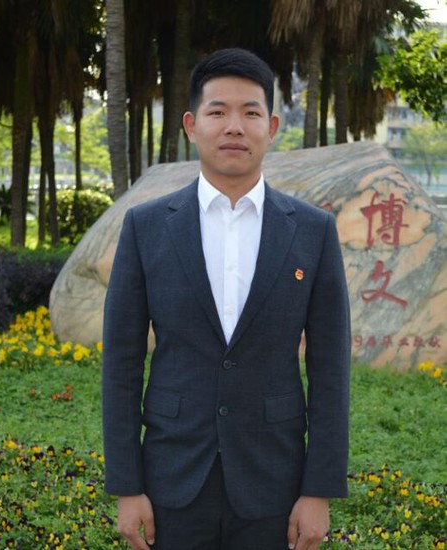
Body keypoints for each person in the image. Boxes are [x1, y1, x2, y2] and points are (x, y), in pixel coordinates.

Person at [102, 47, 351, 550]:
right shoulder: (146, 228)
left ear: (272, 127)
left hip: (275, 481)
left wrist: (319, 491)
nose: (234, 127)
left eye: (250, 113)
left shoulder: (313, 231)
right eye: (217, 112)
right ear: (191, 126)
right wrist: (127, 487)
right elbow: (121, 365)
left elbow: (330, 369)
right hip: (172, 480)